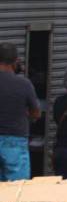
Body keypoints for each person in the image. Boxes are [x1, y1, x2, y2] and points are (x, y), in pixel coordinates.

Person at [0, 42, 40, 181]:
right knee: (17, 188)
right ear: (15, 61)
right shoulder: (24, 84)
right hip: (15, 141)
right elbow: (36, 113)